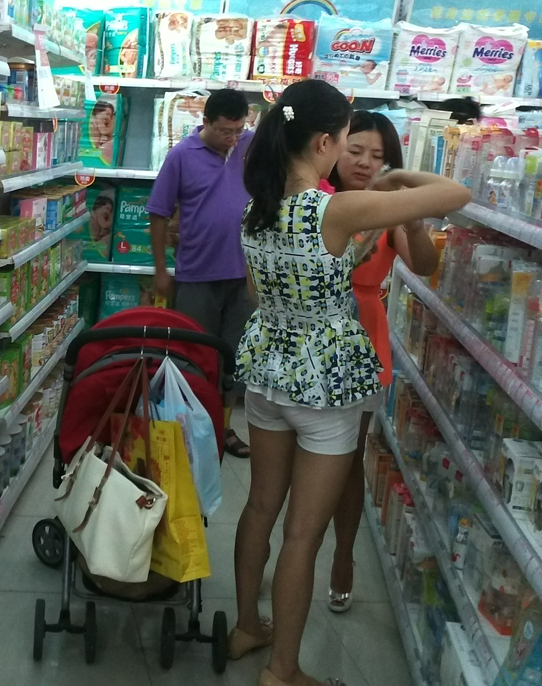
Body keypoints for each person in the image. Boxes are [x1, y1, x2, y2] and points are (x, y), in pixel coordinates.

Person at [229, 79, 470, 686]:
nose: (349, 154)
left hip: (267, 373)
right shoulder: (335, 210)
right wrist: (397, 178)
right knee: (302, 536)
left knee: (259, 505)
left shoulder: (255, 208)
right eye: (344, 141)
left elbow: (257, 293)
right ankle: (283, 670)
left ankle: (246, 625)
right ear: (323, 142)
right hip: (325, 385)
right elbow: (457, 193)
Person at [323, 111, 440, 614]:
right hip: (309, 332)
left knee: (349, 458)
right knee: (300, 458)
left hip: (362, 337)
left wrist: (412, 219)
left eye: (378, 156)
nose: (366, 163)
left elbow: (426, 265)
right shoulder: (312, 198)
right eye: (356, 151)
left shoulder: (389, 210)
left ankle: (342, 556)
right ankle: (294, 548)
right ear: (332, 148)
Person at [148, 88, 254, 458]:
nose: (233, 138)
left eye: (239, 129)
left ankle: (224, 428)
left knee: (234, 359)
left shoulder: (250, 146)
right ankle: (189, 429)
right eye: (225, 130)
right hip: (196, 274)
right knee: (193, 357)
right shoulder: (181, 155)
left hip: (244, 276)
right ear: (205, 121)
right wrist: (161, 270)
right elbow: (158, 214)